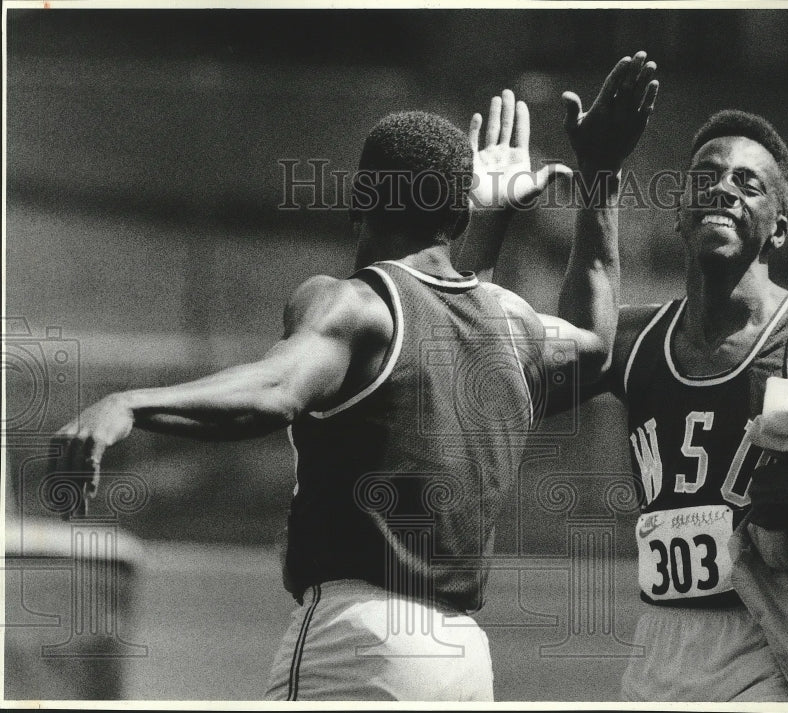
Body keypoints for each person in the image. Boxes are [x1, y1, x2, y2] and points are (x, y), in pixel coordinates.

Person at [46, 56, 658, 701]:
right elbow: (592, 341)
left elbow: (276, 391)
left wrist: (131, 402)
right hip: (463, 660)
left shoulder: (350, 303)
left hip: (356, 641)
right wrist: (602, 176)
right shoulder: (513, 323)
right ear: (457, 217)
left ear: (361, 199)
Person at [467, 58, 788, 702]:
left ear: (778, 227)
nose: (724, 190)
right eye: (706, 178)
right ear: (679, 211)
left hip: (774, 644)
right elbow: (492, 380)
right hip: (658, 649)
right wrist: (497, 217)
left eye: (749, 184)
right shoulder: (634, 341)